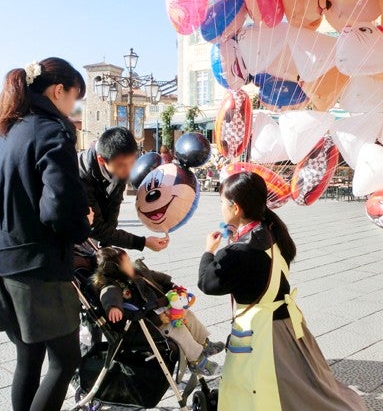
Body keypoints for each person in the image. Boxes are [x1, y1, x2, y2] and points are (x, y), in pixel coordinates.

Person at [0, 57, 94, 411]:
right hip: (36, 266)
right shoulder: (52, 130)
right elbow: (59, 208)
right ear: (58, 91)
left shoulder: (1, 133)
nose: (73, 107)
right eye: (74, 97)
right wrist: (82, 222)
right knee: (64, 359)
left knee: (28, 357)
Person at [198, 172, 366, 411]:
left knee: (255, 387)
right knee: (297, 386)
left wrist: (209, 251)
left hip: (261, 331)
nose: (220, 207)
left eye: (222, 202)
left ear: (235, 207)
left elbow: (207, 283)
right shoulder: (272, 230)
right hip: (287, 324)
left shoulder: (237, 252)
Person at [93, 247, 223, 375]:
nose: (129, 262)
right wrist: (113, 307)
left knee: (188, 315)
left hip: (161, 311)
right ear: (116, 268)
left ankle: (204, 343)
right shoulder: (114, 286)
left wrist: (173, 286)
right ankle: (196, 361)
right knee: (178, 330)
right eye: (125, 261)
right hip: (147, 324)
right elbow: (109, 295)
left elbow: (158, 278)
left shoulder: (137, 271)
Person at [78, 127, 168, 252]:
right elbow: (95, 227)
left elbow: (113, 210)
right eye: (122, 165)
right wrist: (142, 242)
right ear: (101, 160)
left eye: (132, 162)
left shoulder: (121, 169)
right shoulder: (80, 175)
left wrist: (106, 249)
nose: (129, 170)